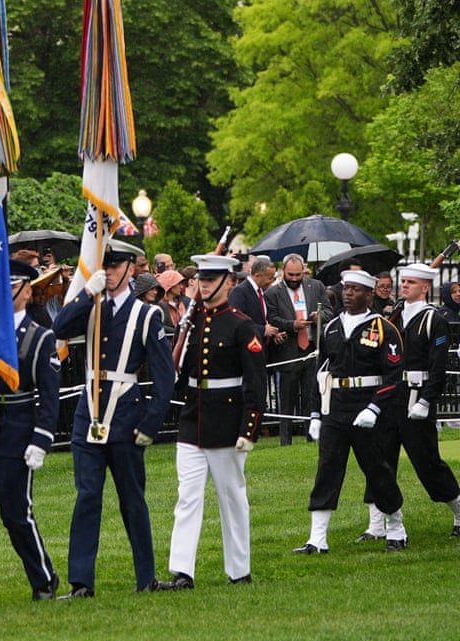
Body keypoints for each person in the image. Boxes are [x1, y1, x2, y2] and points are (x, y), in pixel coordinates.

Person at [52, 242, 176, 598]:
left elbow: (165, 377)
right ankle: (81, 582)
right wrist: (81, 295)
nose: (107, 271)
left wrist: (150, 424)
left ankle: (146, 577)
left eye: (114, 265)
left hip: (125, 415)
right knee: (87, 497)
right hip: (88, 413)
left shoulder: (147, 314)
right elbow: (60, 327)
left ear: (130, 269)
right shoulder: (90, 305)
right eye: (102, 265)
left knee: (132, 499)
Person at [158, 254, 266, 590]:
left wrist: (249, 429)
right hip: (193, 418)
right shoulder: (192, 321)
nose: (203, 285)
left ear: (228, 282)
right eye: (201, 279)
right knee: (187, 495)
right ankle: (182, 571)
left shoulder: (241, 324)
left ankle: (239, 569)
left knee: (231, 497)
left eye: (211, 279)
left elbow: (255, 382)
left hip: (227, 420)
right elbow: (180, 374)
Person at [0, 259, 61, 605]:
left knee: (16, 513)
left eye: (12, 285)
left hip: (17, 430)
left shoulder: (40, 336)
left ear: (27, 291)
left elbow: (49, 395)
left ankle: (44, 579)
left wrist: (41, 439)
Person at [293, 269, 405, 555]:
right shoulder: (331, 328)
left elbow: (393, 376)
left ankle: (395, 526)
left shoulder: (383, 328)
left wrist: (374, 408)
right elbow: (322, 373)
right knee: (327, 469)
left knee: (377, 469)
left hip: (368, 407)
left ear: (369, 295)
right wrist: (316, 413)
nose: (348, 293)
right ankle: (317, 538)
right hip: (337, 407)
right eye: (346, 288)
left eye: (356, 289)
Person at [355, 263, 460, 541]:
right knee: (380, 462)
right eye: (404, 282)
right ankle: (378, 525)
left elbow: (438, 367)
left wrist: (427, 401)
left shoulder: (433, 320)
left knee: (427, 463)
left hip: (417, 397)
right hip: (390, 397)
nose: (404, 286)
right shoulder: (394, 318)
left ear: (426, 287)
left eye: (411, 283)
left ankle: (459, 512)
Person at [266, 254, 333, 445]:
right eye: (290, 275)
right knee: (287, 399)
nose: (294, 279)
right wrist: (292, 325)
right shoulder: (273, 293)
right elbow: (273, 318)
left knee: (312, 396)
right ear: (283, 271)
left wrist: (317, 316)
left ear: (304, 271)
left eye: (298, 275)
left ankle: (311, 436)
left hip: (312, 350)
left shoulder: (316, 286)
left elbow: (329, 311)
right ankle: (285, 440)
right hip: (289, 353)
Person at [228, 254, 278, 346]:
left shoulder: (261, 291)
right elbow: (236, 323)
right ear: (257, 275)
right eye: (270, 278)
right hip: (248, 348)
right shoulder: (240, 292)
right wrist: (263, 330)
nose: (272, 282)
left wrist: (273, 333)